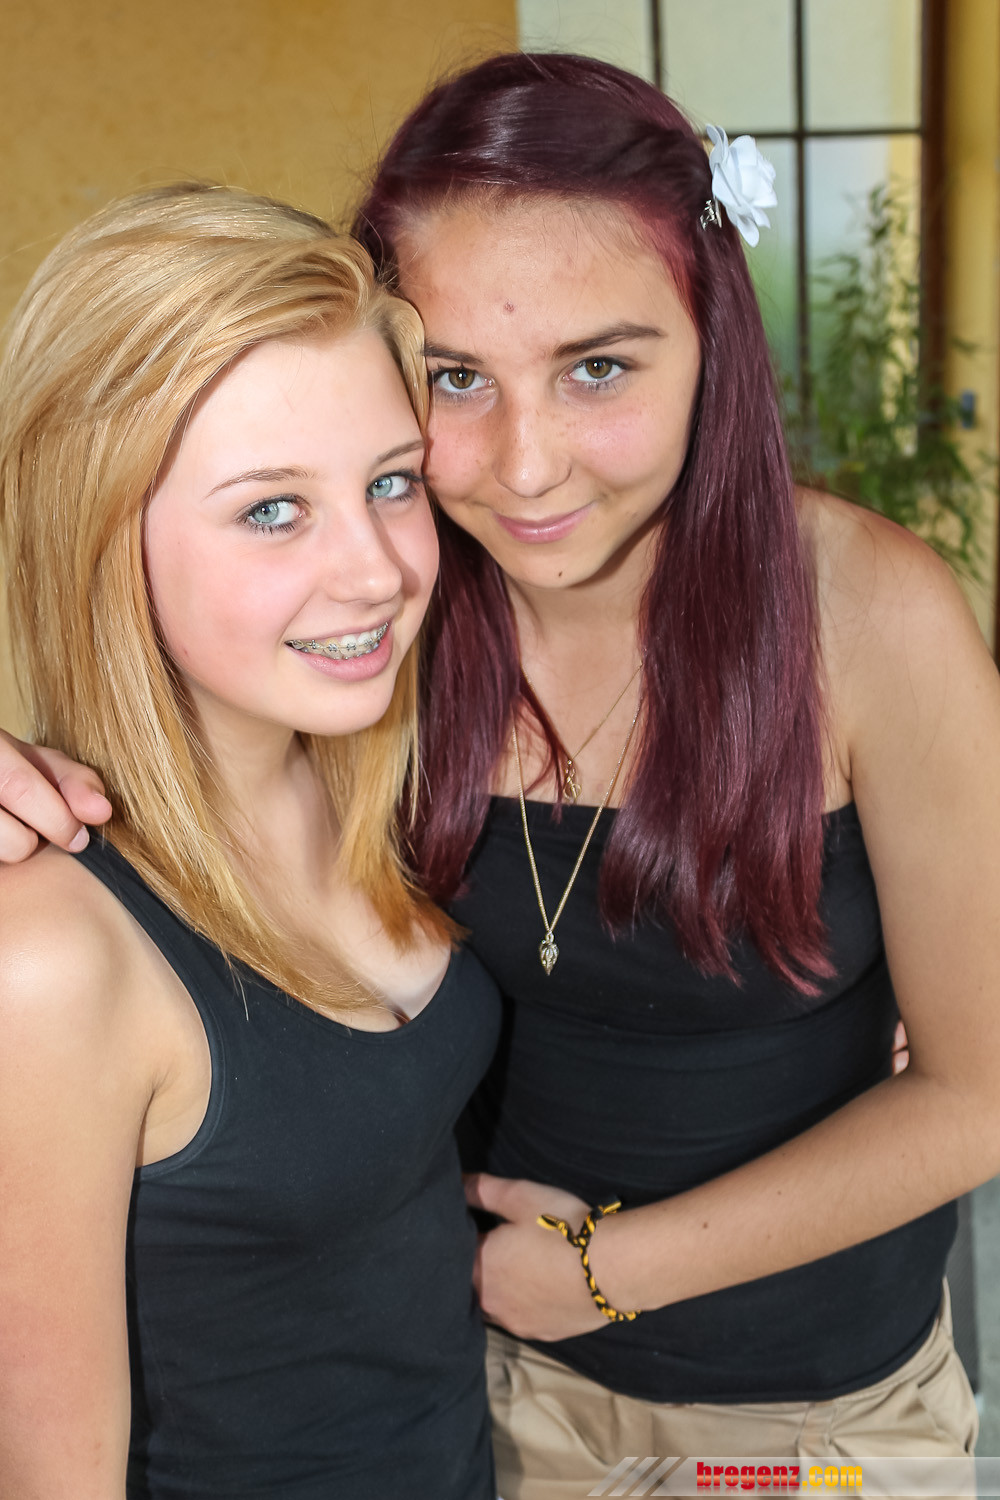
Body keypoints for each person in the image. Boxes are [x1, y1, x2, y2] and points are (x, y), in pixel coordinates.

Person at [3, 51, 1000, 1496]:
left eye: (599, 368)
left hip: (788, 1417)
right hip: (474, 1394)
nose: (526, 469)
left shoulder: (862, 614)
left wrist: (604, 1270)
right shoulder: (387, 623)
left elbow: (981, 1085)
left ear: (712, 341)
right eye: (458, 380)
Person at [0, 183, 500, 1500]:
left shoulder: (374, 777)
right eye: (273, 509)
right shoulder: (50, 954)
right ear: (102, 536)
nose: (378, 569)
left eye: (391, 482)